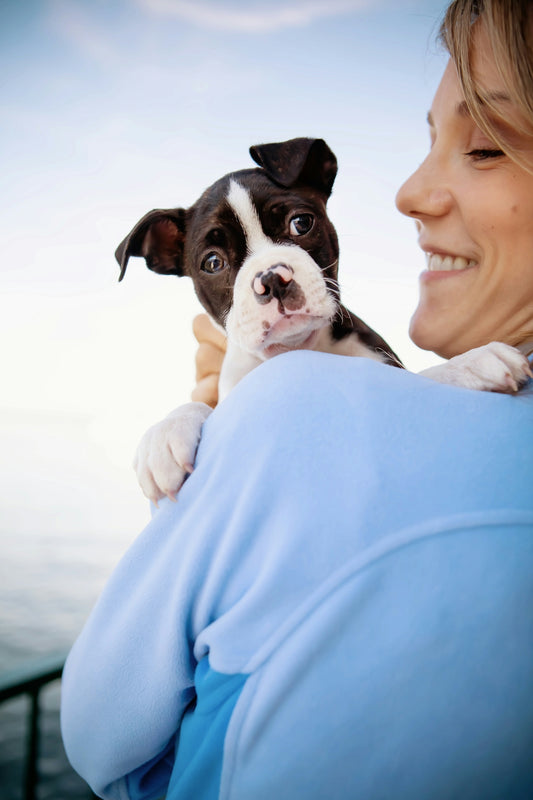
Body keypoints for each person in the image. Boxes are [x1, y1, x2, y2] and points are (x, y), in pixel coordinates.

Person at [61, 2, 533, 799]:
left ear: (317, 190)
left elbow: (99, 737)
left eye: (296, 226)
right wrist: (194, 415)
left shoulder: (295, 410)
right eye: (218, 258)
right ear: (175, 260)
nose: (271, 273)